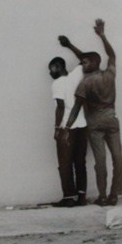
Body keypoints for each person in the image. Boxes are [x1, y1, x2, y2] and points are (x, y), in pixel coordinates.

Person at [62, 19, 122, 206]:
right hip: (112, 119)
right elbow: (109, 55)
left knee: (100, 161)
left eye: (84, 63)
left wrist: (67, 127)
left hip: (95, 123)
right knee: (118, 158)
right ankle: (114, 194)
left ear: (93, 63)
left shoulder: (85, 83)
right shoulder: (110, 74)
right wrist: (102, 36)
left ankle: (102, 196)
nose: (82, 64)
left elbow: (76, 108)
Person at [48, 39, 88, 207]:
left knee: (65, 164)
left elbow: (60, 107)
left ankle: (68, 197)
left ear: (59, 66)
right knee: (80, 162)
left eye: (52, 68)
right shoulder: (77, 74)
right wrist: (69, 45)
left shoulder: (57, 83)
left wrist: (58, 128)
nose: (50, 72)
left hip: (67, 128)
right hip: (82, 126)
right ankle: (81, 197)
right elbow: (84, 58)